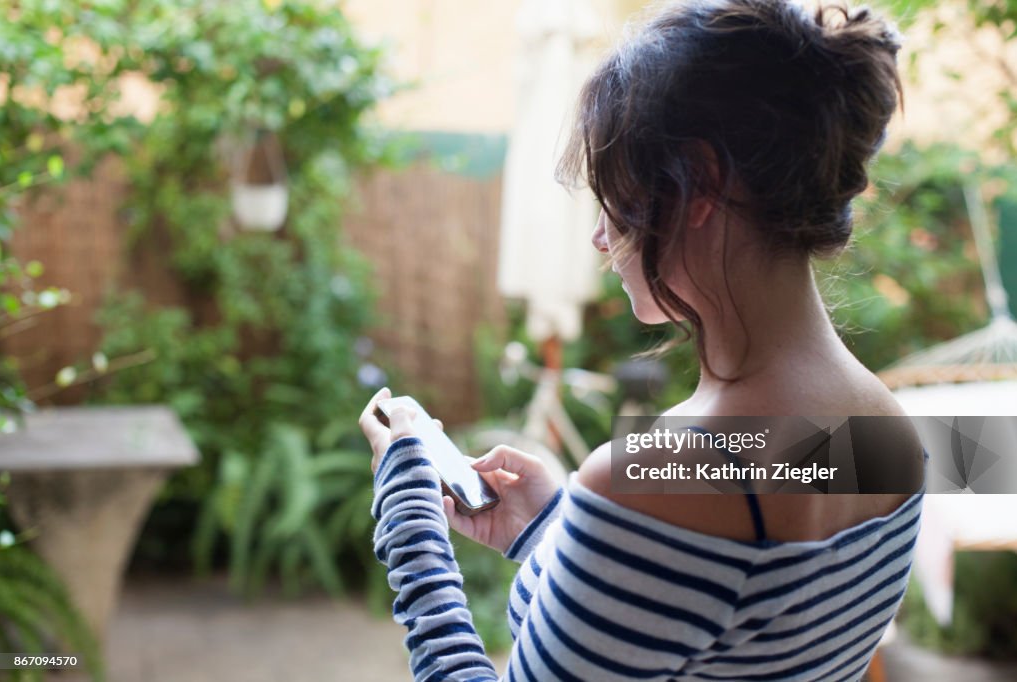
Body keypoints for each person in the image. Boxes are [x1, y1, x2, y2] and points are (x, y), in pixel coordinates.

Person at [359, 0, 927, 679]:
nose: (601, 237)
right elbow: (736, 626)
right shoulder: (892, 435)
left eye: (615, 195)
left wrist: (410, 525)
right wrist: (558, 529)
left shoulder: (661, 478)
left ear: (702, 186)